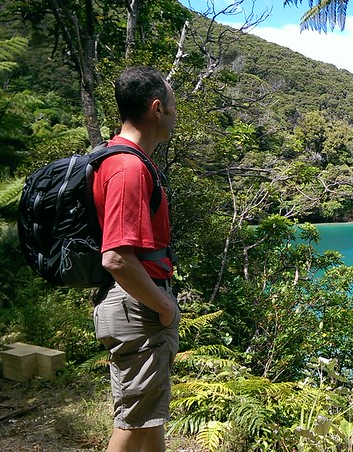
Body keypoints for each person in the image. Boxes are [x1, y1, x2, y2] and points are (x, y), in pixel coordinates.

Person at [92, 66, 179, 452]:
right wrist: (164, 307)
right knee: (131, 424)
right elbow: (117, 258)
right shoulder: (128, 168)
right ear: (157, 108)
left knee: (147, 414)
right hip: (137, 307)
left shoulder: (124, 159)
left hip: (135, 305)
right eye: (173, 106)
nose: (176, 114)